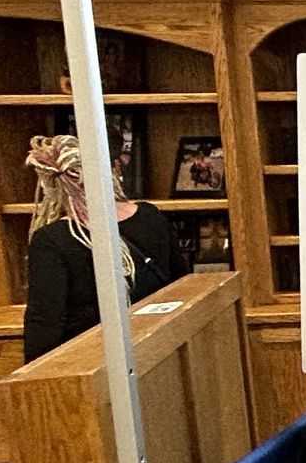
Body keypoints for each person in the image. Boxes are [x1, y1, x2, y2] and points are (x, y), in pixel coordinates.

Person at [22, 134, 188, 360]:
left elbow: (45, 322)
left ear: (50, 183)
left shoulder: (52, 240)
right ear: (109, 172)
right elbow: (182, 285)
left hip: (95, 360)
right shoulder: (150, 216)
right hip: (162, 349)